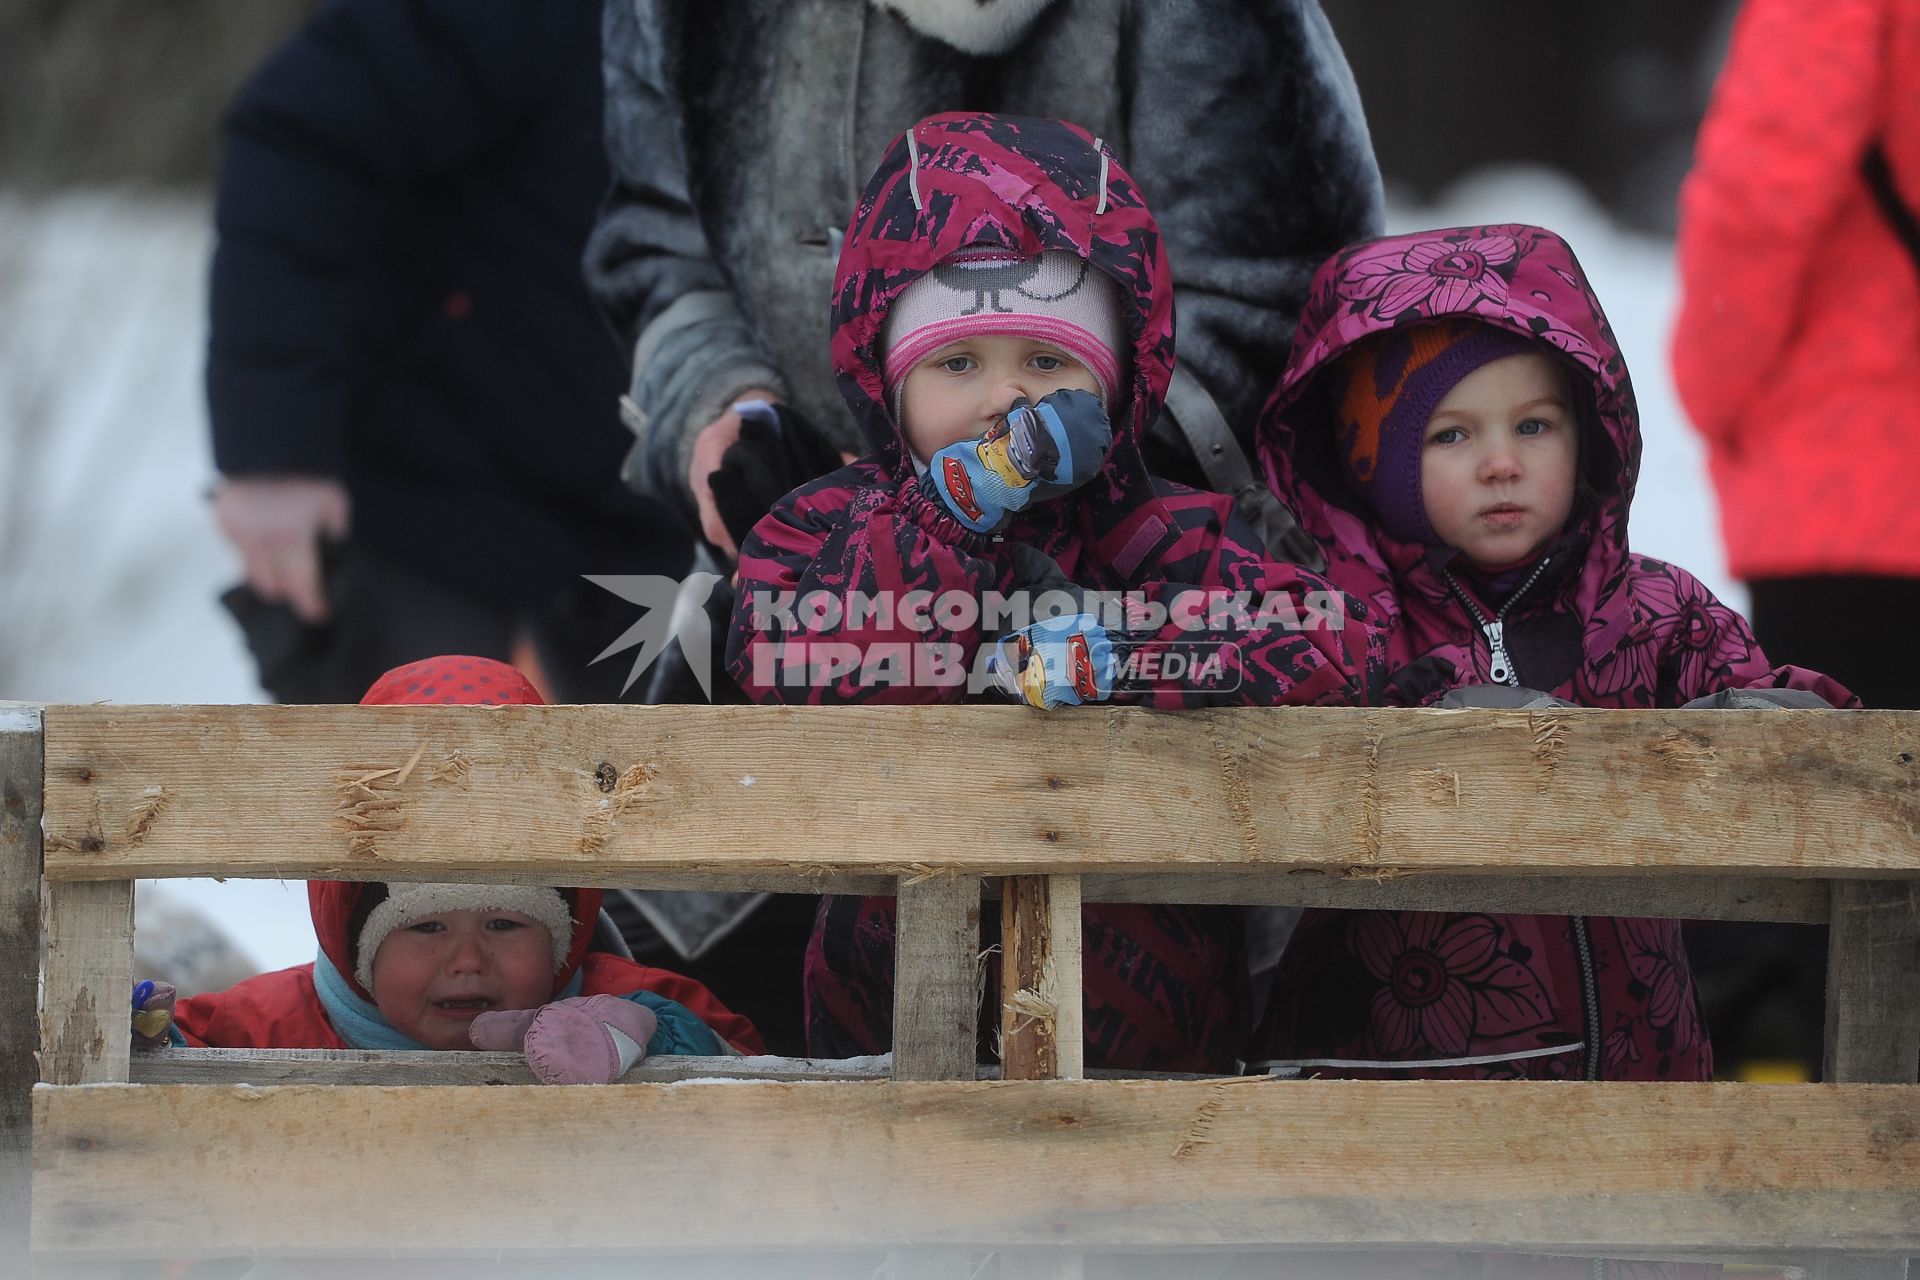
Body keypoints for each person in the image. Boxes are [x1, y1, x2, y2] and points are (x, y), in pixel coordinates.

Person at [725, 112, 1385, 1070]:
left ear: (1115, 388)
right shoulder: (822, 529)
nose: (1005, 399)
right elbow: (796, 663)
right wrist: (950, 514)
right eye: (957, 364)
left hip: (1151, 1056)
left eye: (1047, 361)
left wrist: (1134, 662)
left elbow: (1333, 646)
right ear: (889, 384)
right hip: (891, 1035)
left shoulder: (1167, 537)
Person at [1248, 224, 1855, 1085]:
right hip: (1385, 1086)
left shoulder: (1653, 613)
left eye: (1534, 425)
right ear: (1371, 464)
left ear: (1587, 432)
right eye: (1450, 436)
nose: (1502, 463)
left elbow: (1769, 707)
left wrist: (1773, 728)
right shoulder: (1339, 627)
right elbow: (1269, 745)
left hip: (1637, 1069)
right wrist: (1432, 737)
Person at [587, 0, 1383, 562]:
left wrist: (1045, 467)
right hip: (796, 616)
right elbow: (662, 249)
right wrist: (720, 411)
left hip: (1134, 611)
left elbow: (1282, 294)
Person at [205, 0, 688, 705]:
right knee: (410, 798)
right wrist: (274, 450)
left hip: (663, 517)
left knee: (685, 801)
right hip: (434, 506)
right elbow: (303, 137)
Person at [1669, 0, 1920, 1080]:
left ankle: (1818, 1217)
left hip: (1858, 482)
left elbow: (1764, 191)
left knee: (1826, 892)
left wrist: (1712, 385)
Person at [134, 656, 763, 1080]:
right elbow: (162, 1075)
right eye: (427, 927)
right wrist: (149, 1045)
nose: (467, 961)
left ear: (563, 936)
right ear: (357, 947)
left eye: (505, 925)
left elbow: (764, 1093)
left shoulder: (630, 1003)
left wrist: (658, 1045)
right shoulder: (272, 1027)